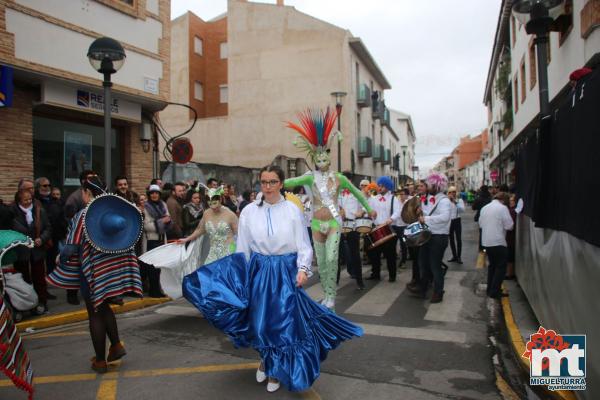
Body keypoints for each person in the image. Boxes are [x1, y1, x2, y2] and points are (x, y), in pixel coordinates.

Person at [183, 165, 363, 393]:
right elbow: (243, 247)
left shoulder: (292, 210)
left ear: (281, 183)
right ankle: (265, 359)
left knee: (281, 321)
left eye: (273, 182)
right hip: (259, 269)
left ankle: (276, 370)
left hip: (284, 270)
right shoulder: (248, 211)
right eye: (264, 182)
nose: (267, 187)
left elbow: (303, 245)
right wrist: (242, 275)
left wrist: (302, 269)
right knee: (259, 319)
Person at [48, 175, 143, 372]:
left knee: (95, 313)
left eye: (82, 192)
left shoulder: (84, 216)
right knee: (105, 307)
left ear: (87, 193)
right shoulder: (119, 211)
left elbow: (70, 249)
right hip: (112, 274)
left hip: (92, 274)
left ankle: (100, 360)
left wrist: (60, 259)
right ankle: (115, 346)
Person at [283, 108, 375, 310]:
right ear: (314, 157)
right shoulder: (309, 176)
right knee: (322, 263)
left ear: (329, 156)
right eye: (318, 157)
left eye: (324, 156)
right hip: (316, 223)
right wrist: (273, 181)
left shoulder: (340, 178)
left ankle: (332, 296)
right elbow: (290, 181)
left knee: (333, 258)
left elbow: (358, 193)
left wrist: (369, 207)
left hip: (333, 222)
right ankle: (326, 294)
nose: (321, 160)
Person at [410, 173, 452, 303]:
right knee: (423, 263)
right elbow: (431, 214)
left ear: (436, 186)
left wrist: (426, 218)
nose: (427, 187)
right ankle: (423, 288)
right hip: (428, 235)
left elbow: (444, 218)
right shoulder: (433, 199)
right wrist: (421, 213)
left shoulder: (444, 201)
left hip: (439, 237)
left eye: (429, 185)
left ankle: (438, 292)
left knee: (435, 266)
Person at [12, 189, 52, 314]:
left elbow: (48, 228)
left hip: (37, 250)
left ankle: (42, 303)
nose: (29, 202)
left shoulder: (39, 210)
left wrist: (42, 238)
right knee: (23, 278)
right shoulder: (12, 212)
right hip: (21, 252)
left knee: (39, 277)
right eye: (25, 200)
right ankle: (25, 305)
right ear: (19, 200)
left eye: (30, 199)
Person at [178, 185, 238, 264]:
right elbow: (200, 230)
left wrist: (233, 251)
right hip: (212, 254)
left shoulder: (230, 214)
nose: (212, 204)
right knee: (209, 273)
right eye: (208, 200)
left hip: (228, 253)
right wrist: (186, 239)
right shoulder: (206, 213)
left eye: (214, 199)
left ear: (220, 199)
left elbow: (238, 235)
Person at [478, 192, 514, 299]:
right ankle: (495, 291)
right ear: (504, 200)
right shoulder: (502, 208)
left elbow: (480, 224)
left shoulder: (485, 208)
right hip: (498, 242)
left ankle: (490, 289)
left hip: (486, 242)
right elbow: (509, 225)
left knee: (492, 266)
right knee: (501, 267)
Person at [367, 176, 401, 282]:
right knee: (374, 253)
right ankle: (375, 273)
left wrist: (391, 219)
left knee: (390, 254)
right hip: (376, 228)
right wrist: (370, 213)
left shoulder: (393, 199)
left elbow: (398, 211)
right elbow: (368, 209)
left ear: (387, 187)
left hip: (388, 228)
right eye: (379, 186)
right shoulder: (373, 199)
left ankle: (392, 275)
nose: (380, 188)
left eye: (382, 186)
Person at [142, 184, 172, 297]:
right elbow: (147, 226)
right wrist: (161, 222)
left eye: (156, 193)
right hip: (151, 240)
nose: (154, 195)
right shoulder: (146, 206)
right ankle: (153, 290)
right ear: (149, 195)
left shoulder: (163, 205)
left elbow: (168, 218)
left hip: (161, 240)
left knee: (160, 267)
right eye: (152, 193)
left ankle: (159, 289)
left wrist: (167, 221)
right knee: (152, 268)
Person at [338, 172, 365, 290]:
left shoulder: (357, 192)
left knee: (355, 254)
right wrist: (338, 212)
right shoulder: (337, 193)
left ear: (350, 181)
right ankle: (335, 280)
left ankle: (359, 280)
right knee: (336, 254)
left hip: (353, 225)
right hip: (339, 225)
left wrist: (361, 212)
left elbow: (365, 204)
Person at [447, 186, 465, 264]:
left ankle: (459, 256)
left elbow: (462, 210)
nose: (452, 193)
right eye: (450, 192)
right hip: (449, 221)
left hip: (457, 220)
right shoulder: (446, 201)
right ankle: (454, 256)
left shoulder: (459, 200)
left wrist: (455, 202)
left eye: (454, 192)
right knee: (451, 239)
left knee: (458, 239)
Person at [505, 194, 517, 280]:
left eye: (512, 201)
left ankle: (509, 273)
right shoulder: (512, 210)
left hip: (510, 236)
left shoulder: (512, 211)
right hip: (510, 236)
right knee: (510, 255)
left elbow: (510, 225)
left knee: (510, 255)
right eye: (510, 201)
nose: (510, 202)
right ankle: (510, 273)